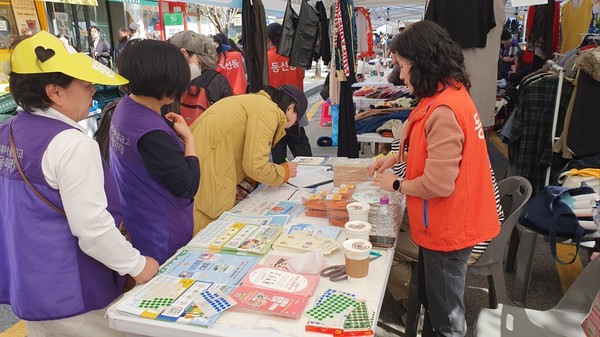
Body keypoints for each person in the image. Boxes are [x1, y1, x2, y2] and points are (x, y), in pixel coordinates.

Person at [0, 31, 158, 336]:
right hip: (74, 293)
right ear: (55, 92)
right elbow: (93, 230)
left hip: (29, 288)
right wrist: (138, 266)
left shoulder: (6, 131)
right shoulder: (72, 144)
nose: (94, 91)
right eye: (85, 85)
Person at [369, 21, 500, 337]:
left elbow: (439, 184)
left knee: (447, 317)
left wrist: (395, 184)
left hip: (451, 228)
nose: (400, 75)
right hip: (447, 222)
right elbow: (426, 147)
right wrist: (394, 157)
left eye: (402, 66)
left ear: (421, 62)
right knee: (436, 302)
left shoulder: (444, 109)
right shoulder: (446, 93)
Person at [110, 40, 199, 264]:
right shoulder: (152, 133)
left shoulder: (125, 107)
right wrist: (189, 139)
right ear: (164, 83)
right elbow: (187, 186)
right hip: (163, 232)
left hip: (138, 218)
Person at [189, 85, 304, 233]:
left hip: (198, 169)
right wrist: (284, 172)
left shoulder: (253, 102)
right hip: (207, 179)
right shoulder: (268, 110)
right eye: (295, 121)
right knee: (205, 238)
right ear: (291, 108)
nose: (289, 127)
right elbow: (256, 166)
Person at [266, 22, 312, 164]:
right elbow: (301, 76)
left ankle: (281, 181)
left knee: (278, 148)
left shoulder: (267, 58)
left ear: (269, 40)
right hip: (296, 107)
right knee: (300, 145)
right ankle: (312, 173)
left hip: (274, 110)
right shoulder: (295, 54)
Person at [168, 30, 232, 112]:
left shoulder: (163, 82)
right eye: (199, 63)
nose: (199, 68)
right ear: (184, 54)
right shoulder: (217, 80)